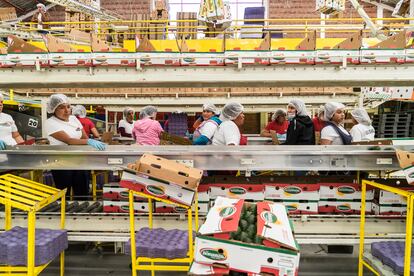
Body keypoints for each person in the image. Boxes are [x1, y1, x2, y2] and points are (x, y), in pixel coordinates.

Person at [44, 94, 106, 196]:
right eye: (61, 107)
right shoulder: (50, 123)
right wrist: (88, 142)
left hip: (80, 160)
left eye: (68, 107)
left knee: (82, 191)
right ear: (54, 109)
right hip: (61, 162)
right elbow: (69, 140)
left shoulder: (74, 119)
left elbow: (84, 137)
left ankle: (83, 211)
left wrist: (88, 142)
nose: (66, 110)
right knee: (64, 194)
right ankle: (64, 211)